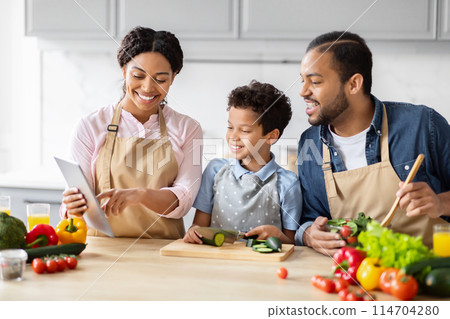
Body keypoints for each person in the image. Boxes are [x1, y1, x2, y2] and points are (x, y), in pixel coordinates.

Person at [296, 31, 450, 255]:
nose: (303, 91)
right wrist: (309, 233)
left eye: (315, 81)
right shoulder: (309, 142)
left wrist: (441, 203)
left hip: (431, 275)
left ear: (354, 84)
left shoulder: (423, 126)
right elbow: (309, 216)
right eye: (303, 81)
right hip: (358, 277)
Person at [61, 26, 203, 239]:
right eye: (138, 75)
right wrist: (72, 207)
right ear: (123, 70)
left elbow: (184, 199)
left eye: (160, 79)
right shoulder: (90, 126)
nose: (147, 87)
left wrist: (141, 195)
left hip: (163, 253)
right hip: (102, 253)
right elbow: (79, 203)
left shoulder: (188, 128)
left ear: (174, 76)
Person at [184, 80, 302, 245]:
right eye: (230, 127)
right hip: (217, 264)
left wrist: (278, 236)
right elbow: (199, 227)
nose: (233, 136)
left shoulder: (287, 183)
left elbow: (292, 244)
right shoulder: (215, 170)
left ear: (271, 136)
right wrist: (193, 232)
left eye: (245, 130)